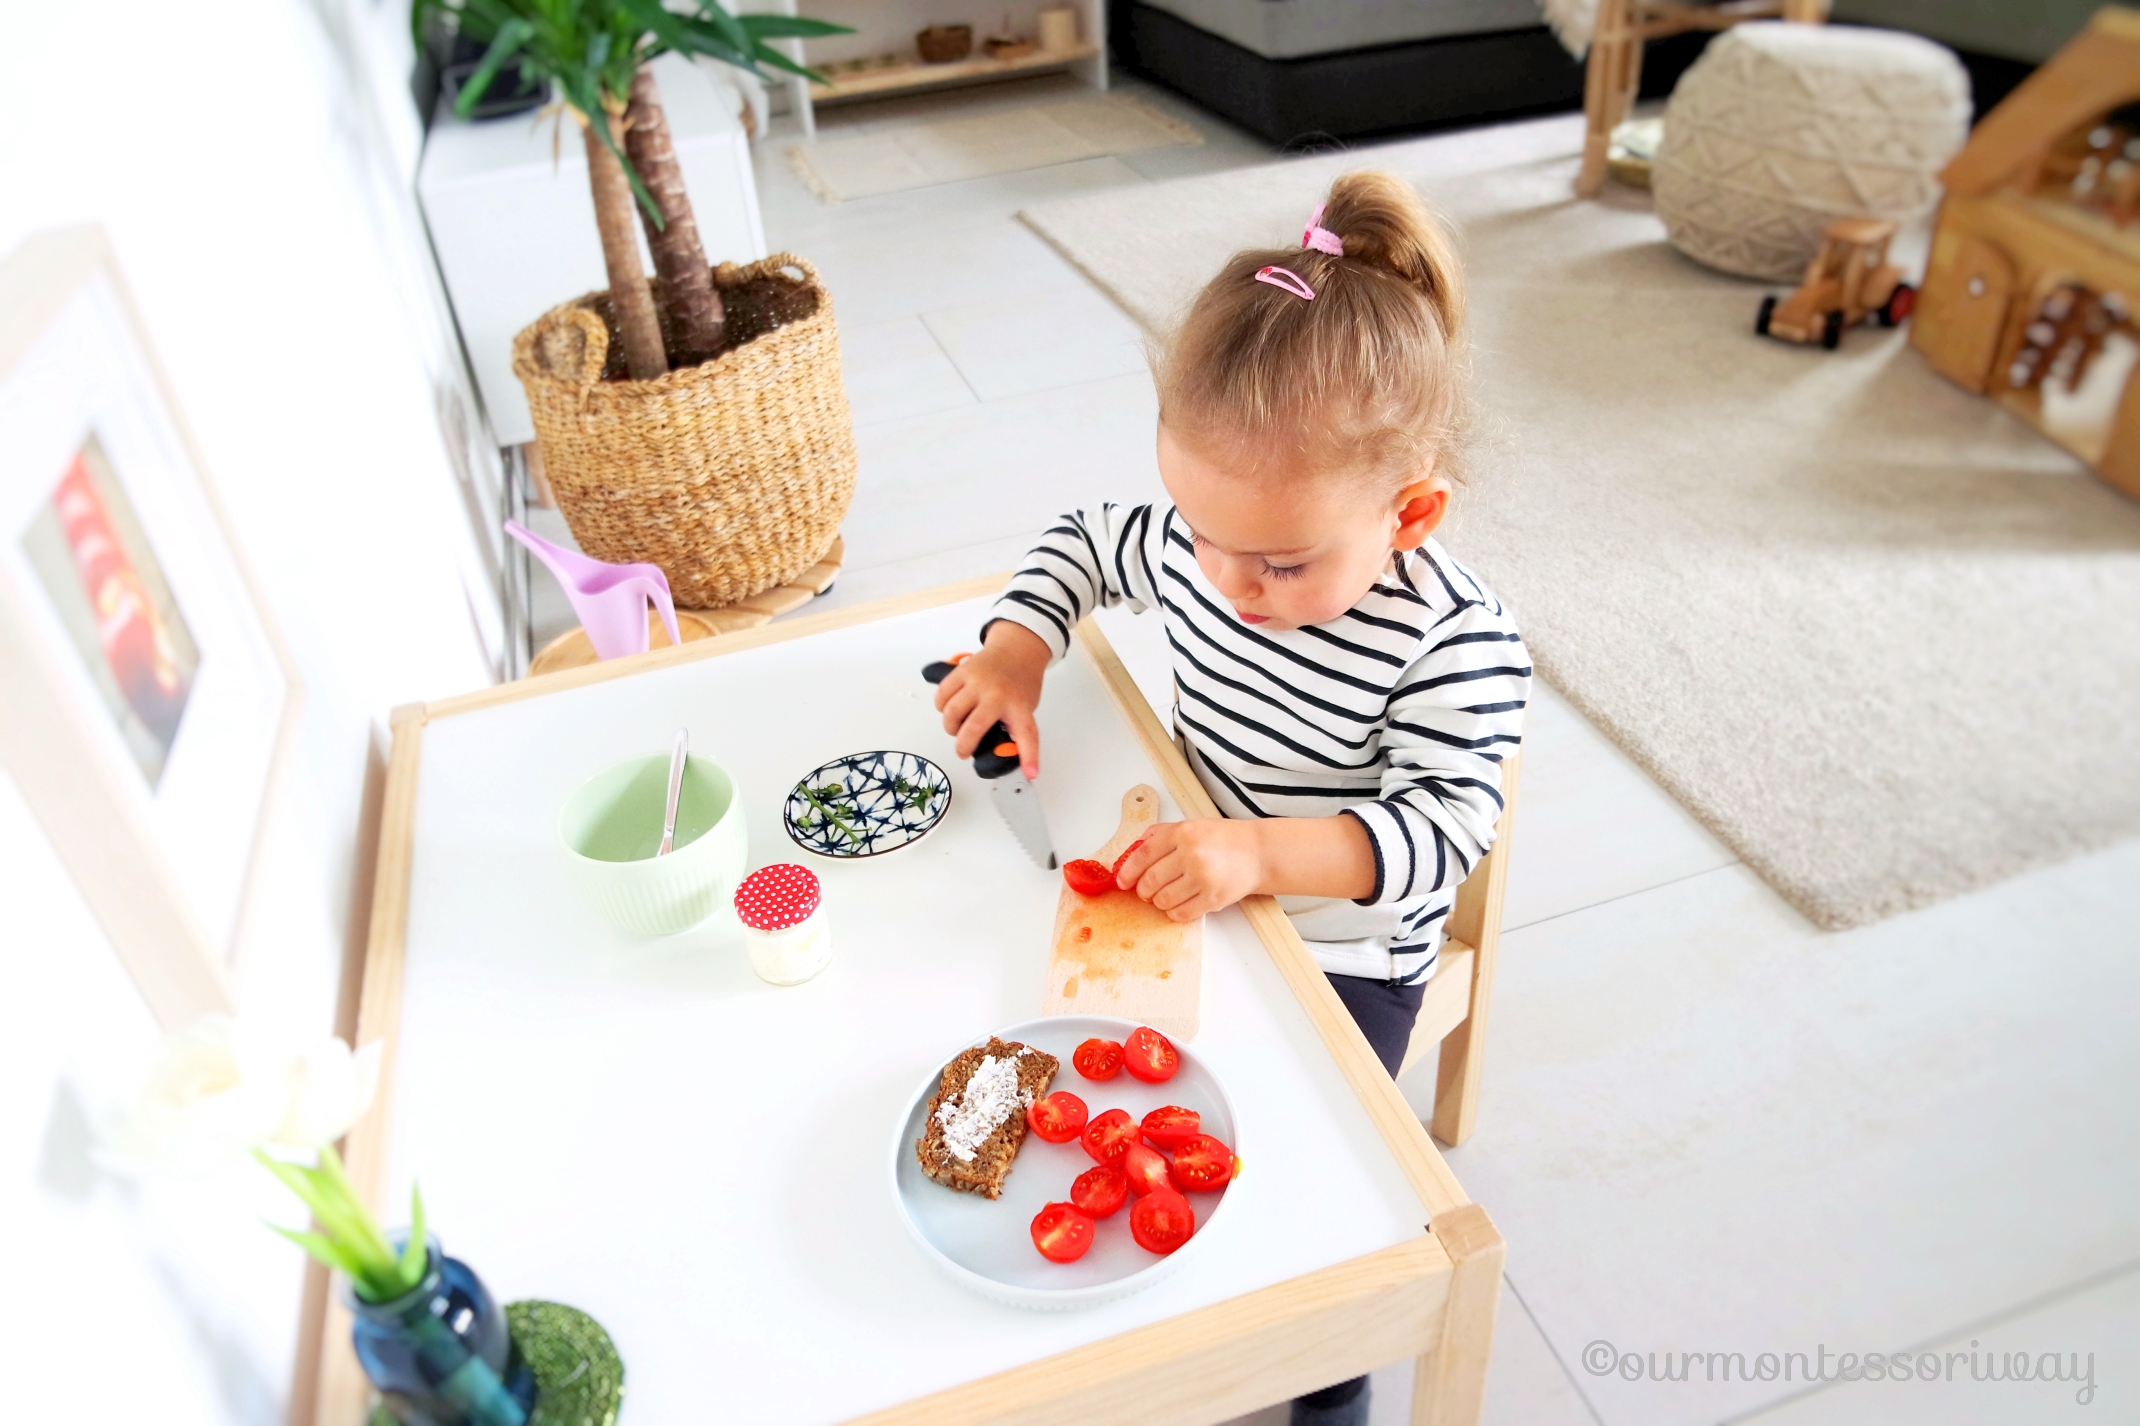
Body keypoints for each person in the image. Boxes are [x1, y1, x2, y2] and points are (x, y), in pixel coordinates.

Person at [932, 171, 1529, 1425]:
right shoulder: (1213, 542)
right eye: (1202, 538)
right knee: (1090, 1088)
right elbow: (1087, 539)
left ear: (1411, 512)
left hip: (1344, 953)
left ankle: (1328, 1376)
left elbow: (1437, 836)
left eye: (1280, 562)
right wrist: (1016, 652)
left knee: (1308, 1190)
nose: (1225, 583)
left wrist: (1258, 857)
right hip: (1203, 892)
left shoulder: (1456, 645)